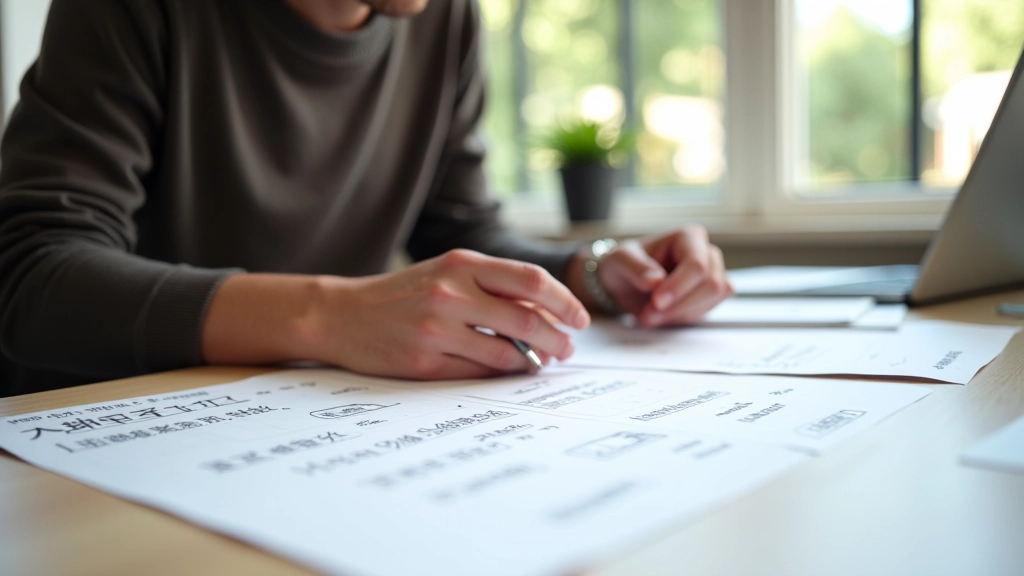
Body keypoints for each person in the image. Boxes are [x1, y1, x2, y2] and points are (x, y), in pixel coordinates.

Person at [0, 0, 732, 397]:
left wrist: (599, 270)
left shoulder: (445, 22)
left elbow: (463, 229)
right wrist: (331, 315)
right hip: (98, 433)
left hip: (299, 423)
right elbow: (31, 275)